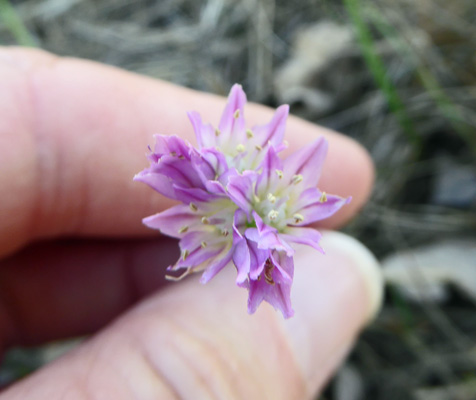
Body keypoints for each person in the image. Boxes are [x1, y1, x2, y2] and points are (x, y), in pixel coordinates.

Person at [0, 47, 382, 399]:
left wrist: (262, 220)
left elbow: (283, 194)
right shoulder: (230, 206)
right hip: (246, 210)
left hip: (260, 212)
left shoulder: (265, 191)